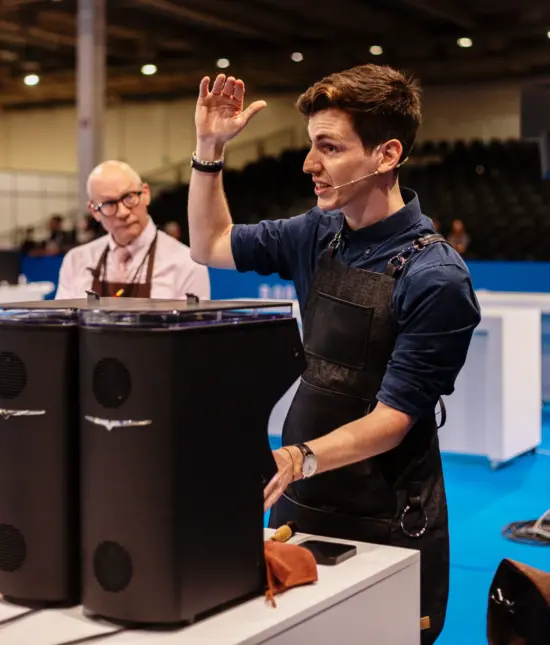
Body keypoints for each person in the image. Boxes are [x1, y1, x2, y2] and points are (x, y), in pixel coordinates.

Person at [187, 65, 481, 644]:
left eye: (329, 147)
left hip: (386, 516)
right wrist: (209, 148)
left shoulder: (437, 277)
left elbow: (393, 419)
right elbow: (209, 244)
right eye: (310, 146)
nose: (309, 164)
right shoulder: (317, 233)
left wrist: (298, 456)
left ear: (386, 154)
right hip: (300, 503)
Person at [56, 160, 210, 300]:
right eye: (109, 204)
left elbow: (194, 329)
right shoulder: (76, 262)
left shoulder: (186, 264)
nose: (123, 212)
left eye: (129, 197)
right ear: (94, 211)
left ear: (146, 193)